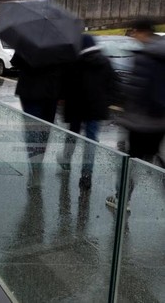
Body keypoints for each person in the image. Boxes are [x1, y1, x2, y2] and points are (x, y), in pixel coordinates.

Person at [107, 18, 165, 209]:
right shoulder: (161, 52)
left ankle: (122, 198)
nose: (133, 35)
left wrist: (119, 96)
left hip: (140, 121)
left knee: (129, 162)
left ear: (141, 32)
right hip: (160, 121)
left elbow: (135, 89)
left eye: (134, 32)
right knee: (156, 159)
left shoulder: (145, 56)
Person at [58, 34, 115, 190]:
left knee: (72, 135)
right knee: (91, 140)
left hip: (75, 107)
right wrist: (106, 102)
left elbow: (64, 85)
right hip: (96, 108)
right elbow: (113, 86)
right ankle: (87, 174)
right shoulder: (105, 62)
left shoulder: (74, 62)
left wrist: (62, 98)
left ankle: (66, 161)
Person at [10, 52, 65, 187]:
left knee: (33, 130)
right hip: (50, 92)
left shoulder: (28, 40)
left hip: (30, 91)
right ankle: (37, 163)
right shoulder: (58, 43)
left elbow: (15, 62)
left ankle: (35, 166)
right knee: (44, 130)